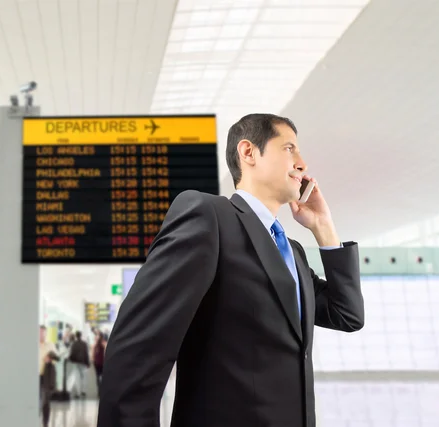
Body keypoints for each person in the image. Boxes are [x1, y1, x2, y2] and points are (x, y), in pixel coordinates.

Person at [97, 113, 365, 427]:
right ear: (248, 152)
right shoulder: (209, 217)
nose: (302, 163)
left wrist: (323, 227)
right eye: (289, 149)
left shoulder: (292, 251)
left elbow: (346, 314)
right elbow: (136, 354)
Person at [68, 331, 90, 398]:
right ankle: (83, 391)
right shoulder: (84, 344)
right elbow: (86, 354)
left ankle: (78, 393)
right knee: (84, 377)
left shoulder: (74, 344)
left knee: (77, 378)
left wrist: (71, 359)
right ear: (81, 336)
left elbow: (71, 353)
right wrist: (87, 362)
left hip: (76, 362)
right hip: (83, 362)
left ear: (76, 336)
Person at [40, 350, 59, 427]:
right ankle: (44, 422)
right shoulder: (47, 365)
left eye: (47, 357)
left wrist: (52, 388)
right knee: (43, 404)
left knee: (45, 404)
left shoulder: (50, 366)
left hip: (46, 385)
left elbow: (57, 357)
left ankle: (45, 422)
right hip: (42, 381)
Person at [91, 330, 107, 395]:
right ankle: (101, 390)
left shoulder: (95, 344)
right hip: (101, 362)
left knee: (98, 376)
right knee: (101, 376)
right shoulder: (104, 343)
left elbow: (92, 355)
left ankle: (100, 390)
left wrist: (93, 360)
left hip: (98, 362)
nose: (96, 337)